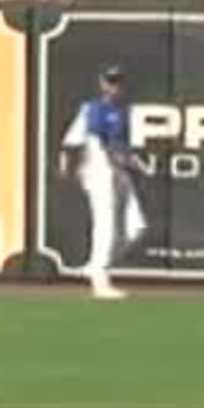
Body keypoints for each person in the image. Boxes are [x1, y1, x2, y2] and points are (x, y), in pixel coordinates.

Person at [60, 64, 145, 301]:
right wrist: (70, 166)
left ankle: (95, 266)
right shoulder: (94, 108)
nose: (114, 86)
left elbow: (120, 145)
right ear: (102, 83)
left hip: (117, 170)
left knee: (135, 226)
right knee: (105, 223)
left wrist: (129, 161)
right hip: (99, 170)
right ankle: (100, 278)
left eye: (117, 82)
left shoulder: (125, 111)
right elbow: (92, 141)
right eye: (110, 81)